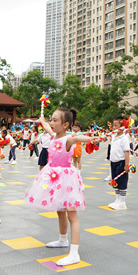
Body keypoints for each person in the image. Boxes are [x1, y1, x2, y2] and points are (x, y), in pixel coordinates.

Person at [24, 108, 99, 266]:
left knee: (72, 215)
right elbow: (44, 125)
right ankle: (63, 239)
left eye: (55, 120)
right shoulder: (52, 136)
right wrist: (42, 119)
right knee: (60, 211)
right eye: (52, 119)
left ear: (65, 124)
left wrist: (93, 138)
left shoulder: (68, 140)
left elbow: (79, 137)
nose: (52, 122)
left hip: (67, 180)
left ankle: (74, 253)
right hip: (54, 178)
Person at [107, 116, 131, 210]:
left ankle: (122, 202)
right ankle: (117, 200)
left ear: (122, 127)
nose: (114, 127)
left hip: (121, 163)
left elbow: (127, 152)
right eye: (113, 125)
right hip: (113, 162)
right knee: (115, 182)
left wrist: (126, 165)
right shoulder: (114, 136)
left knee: (122, 183)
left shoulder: (124, 138)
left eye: (116, 126)